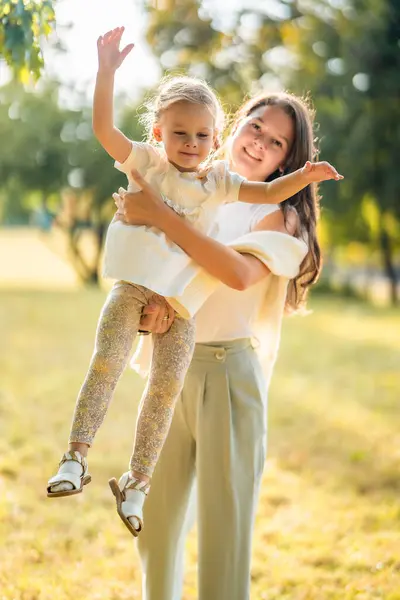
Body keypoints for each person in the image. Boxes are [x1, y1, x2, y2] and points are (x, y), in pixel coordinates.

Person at [47, 25, 342, 539]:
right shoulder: (151, 164)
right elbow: (103, 129)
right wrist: (106, 74)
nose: (192, 143)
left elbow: (258, 215)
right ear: (159, 133)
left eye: (201, 135)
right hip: (138, 295)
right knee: (107, 363)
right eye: (180, 133)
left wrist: (304, 177)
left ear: (214, 134)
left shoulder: (227, 189)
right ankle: (75, 457)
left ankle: (136, 483)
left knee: (163, 395)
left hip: (204, 338)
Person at [113, 90, 326, 600]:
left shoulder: (279, 219)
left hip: (229, 379)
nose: (260, 143)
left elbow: (233, 273)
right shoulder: (195, 191)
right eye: (256, 127)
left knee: (223, 535)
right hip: (172, 367)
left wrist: (158, 216)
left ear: (286, 162)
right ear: (235, 124)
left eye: (277, 143)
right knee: (156, 525)